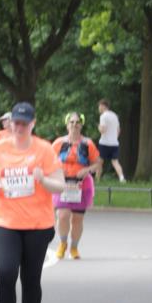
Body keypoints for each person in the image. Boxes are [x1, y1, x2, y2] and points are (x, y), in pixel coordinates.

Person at [0, 102, 65, 303]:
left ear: (32, 125)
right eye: (16, 123)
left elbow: (60, 186)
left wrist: (43, 179)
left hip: (38, 224)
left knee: (30, 278)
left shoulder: (45, 149)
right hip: (5, 221)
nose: (19, 128)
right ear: (10, 123)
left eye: (24, 124)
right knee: (6, 273)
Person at [51, 111, 101, 259]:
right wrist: (57, 173)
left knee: (77, 219)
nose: (74, 125)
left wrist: (87, 170)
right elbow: (48, 161)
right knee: (62, 215)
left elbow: (98, 164)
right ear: (67, 125)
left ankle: (74, 247)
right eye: (71, 122)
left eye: (77, 122)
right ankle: (62, 243)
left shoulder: (88, 144)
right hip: (63, 184)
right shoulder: (58, 143)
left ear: (81, 125)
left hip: (81, 186)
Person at [97, 99, 126, 181]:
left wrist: (99, 127)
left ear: (103, 106)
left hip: (104, 143)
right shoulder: (115, 115)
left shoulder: (103, 116)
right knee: (115, 161)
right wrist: (114, 138)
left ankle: (97, 180)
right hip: (114, 143)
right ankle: (122, 178)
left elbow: (103, 130)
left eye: (99, 106)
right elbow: (118, 130)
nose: (99, 108)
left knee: (99, 162)